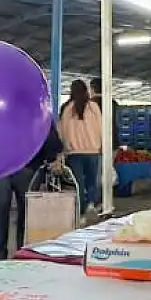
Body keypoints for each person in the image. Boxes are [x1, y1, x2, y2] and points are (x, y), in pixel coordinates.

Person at [0, 124, 64, 261]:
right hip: (27, 165)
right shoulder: (33, 107)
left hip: (0, 165)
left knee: (0, 211)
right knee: (27, 213)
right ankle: (23, 253)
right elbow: (48, 133)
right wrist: (50, 156)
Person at [58, 78, 103, 217]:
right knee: (92, 181)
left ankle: (81, 210)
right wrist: (100, 145)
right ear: (86, 91)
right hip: (92, 151)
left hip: (74, 153)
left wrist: (65, 149)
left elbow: (62, 132)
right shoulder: (93, 107)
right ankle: (91, 205)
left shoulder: (67, 109)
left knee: (79, 184)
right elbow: (101, 128)